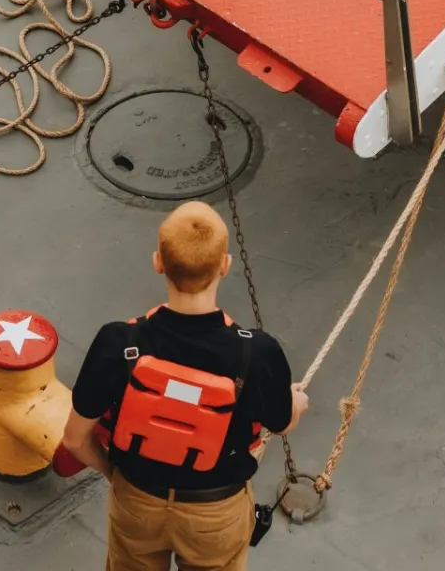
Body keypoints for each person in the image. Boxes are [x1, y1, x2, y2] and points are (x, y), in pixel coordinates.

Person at [60, 202, 311, 571]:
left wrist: (115, 476)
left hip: (137, 502)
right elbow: (281, 422)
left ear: (158, 261)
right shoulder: (257, 353)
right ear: (224, 266)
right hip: (215, 513)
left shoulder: (117, 343)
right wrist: (296, 403)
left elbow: (75, 439)